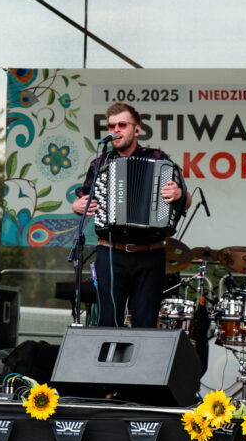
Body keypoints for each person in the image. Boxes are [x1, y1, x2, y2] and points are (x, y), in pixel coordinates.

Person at [72, 102, 189, 328]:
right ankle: (107, 364)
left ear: (137, 129)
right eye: (111, 125)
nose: (116, 130)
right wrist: (76, 206)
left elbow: (186, 199)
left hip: (150, 254)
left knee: (145, 324)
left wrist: (178, 193)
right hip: (111, 252)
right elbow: (83, 200)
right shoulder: (100, 163)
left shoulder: (158, 158)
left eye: (122, 125)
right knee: (107, 321)